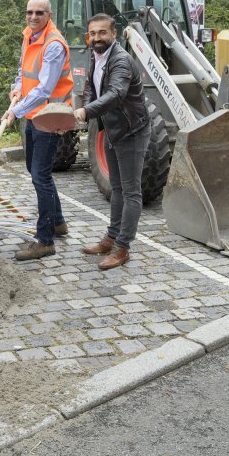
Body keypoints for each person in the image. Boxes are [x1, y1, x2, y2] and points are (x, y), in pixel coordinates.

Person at [75, 14, 151, 270]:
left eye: (102, 33)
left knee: (130, 191)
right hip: (112, 130)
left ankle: (122, 248)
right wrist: (87, 106)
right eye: (93, 33)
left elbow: (117, 93)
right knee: (116, 189)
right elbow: (89, 87)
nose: (97, 38)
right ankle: (111, 237)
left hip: (132, 131)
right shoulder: (96, 57)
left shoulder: (120, 60)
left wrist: (86, 112)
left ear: (114, 34)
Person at [2, 0, 73, 261]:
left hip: (49, 116)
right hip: (32, 114)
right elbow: (24, 70)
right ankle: (58, 222)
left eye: (39, 13)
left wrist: (14, 112)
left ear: (49, 15)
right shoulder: (30, 36)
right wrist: (16, 90)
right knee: (36, 170)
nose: (33, 17)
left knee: (40, 177)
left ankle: (45, 240)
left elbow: (44, 88)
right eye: (29, 12)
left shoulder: (53, 44)